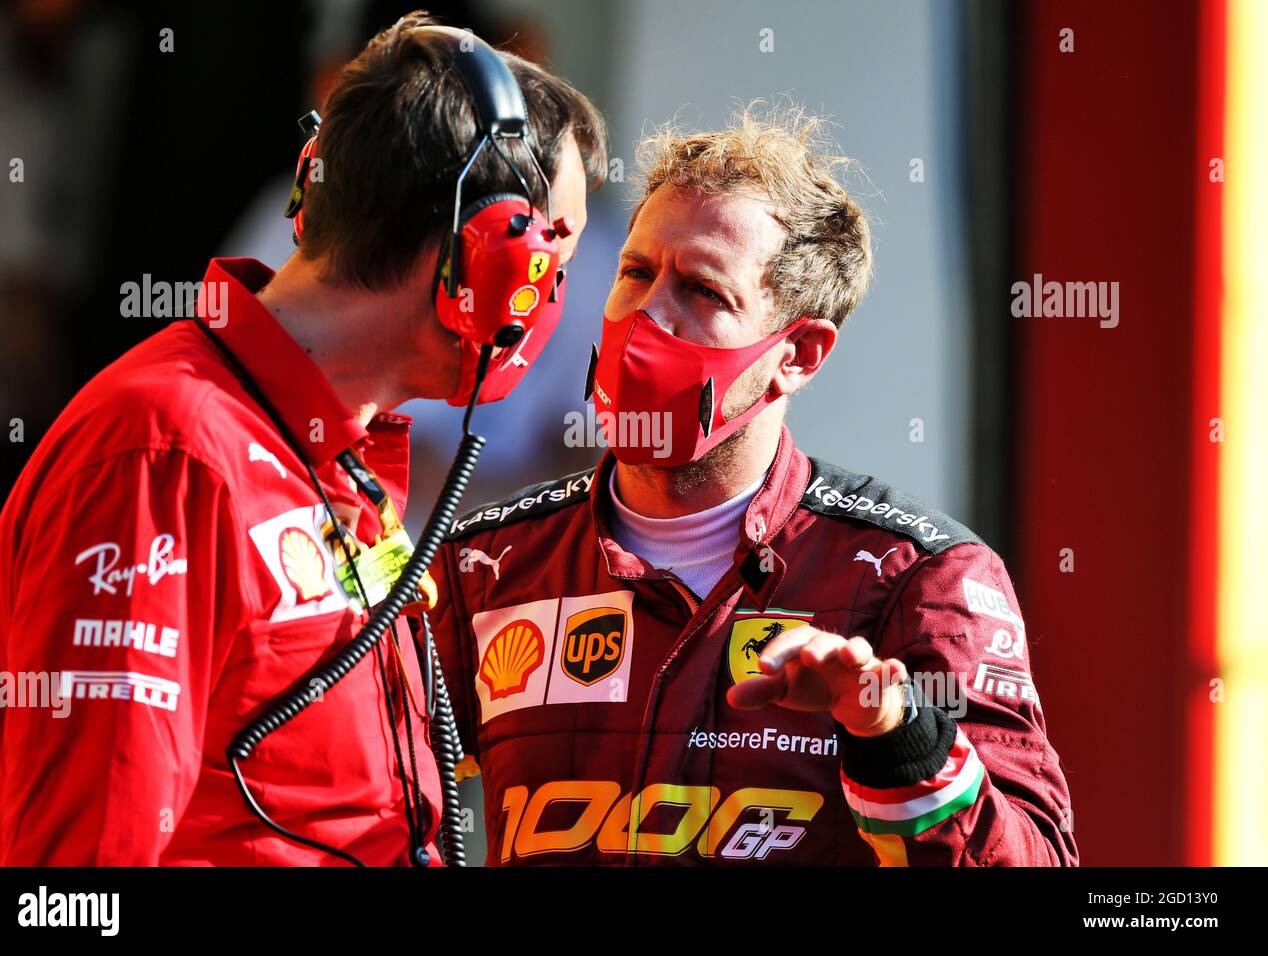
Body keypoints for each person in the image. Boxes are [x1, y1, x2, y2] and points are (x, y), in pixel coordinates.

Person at [0, 13, 606, 866]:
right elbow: (84, 877)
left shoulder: (336, 452)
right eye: (551, 258)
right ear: (485, 254)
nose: (554, 292)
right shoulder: (164, 455)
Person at [428, 106, 1078, 866]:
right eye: (636, 273)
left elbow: (1034, 858)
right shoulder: (486, 564)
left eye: (703, 291)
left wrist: (894, 732)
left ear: (798, 354)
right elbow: (362, 810)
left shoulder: (916, 578)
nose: (648, 316)